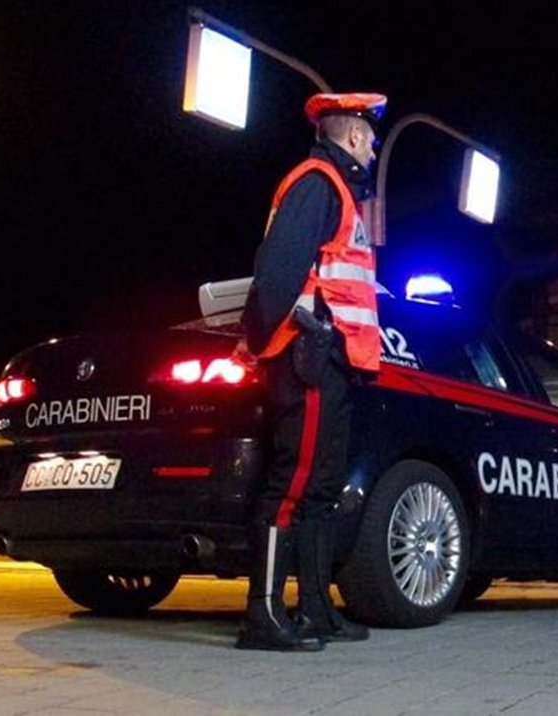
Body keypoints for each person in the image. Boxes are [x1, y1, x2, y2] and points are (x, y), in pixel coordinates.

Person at [235, 92, 387, 651]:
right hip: (311, 361)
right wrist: (272, 342)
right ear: (351, 136)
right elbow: (276, 273)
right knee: (292, 489)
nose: (373, 148)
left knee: (320, 491)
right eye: (370, 138)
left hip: (333, 363)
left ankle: (317, 610)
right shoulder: (317, 182)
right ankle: (264, 615)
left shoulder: (337, 189)